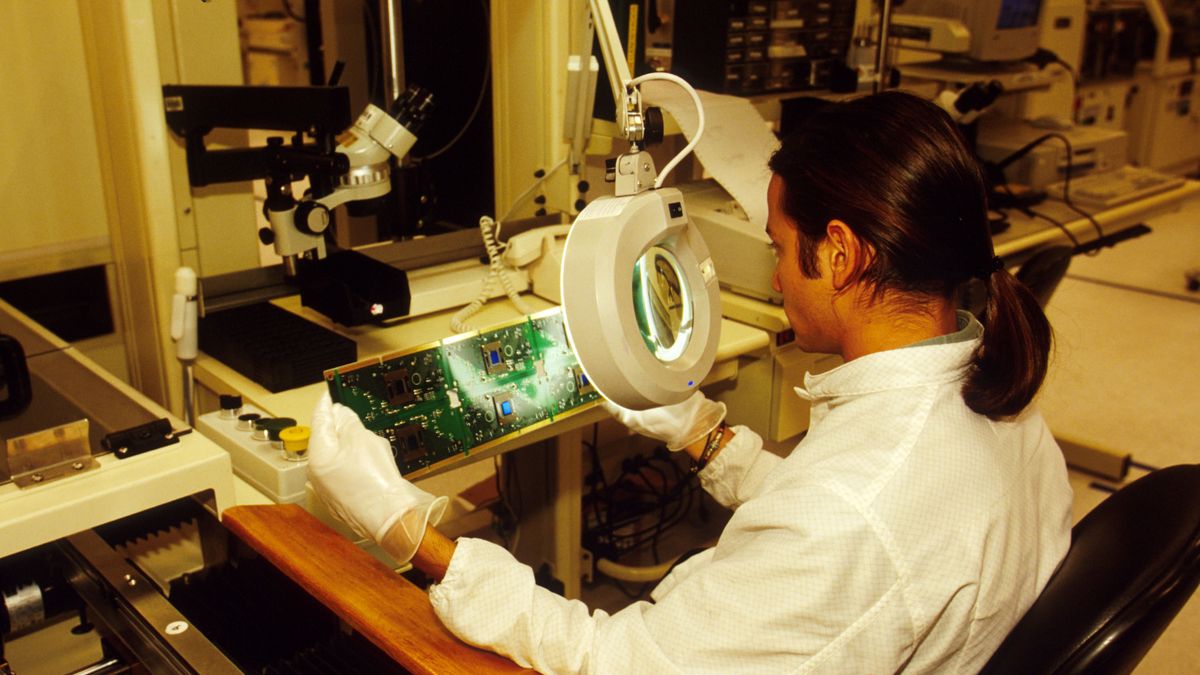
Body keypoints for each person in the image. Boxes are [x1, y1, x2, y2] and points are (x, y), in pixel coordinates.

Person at [307, 91, 1073, 673]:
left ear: (841, 256)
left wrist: (412, 535)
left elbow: (613, 659)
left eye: (779, 246)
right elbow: (854, 524)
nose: (774, 275)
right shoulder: (999, 394)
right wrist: (705, 435)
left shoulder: (849, 512)